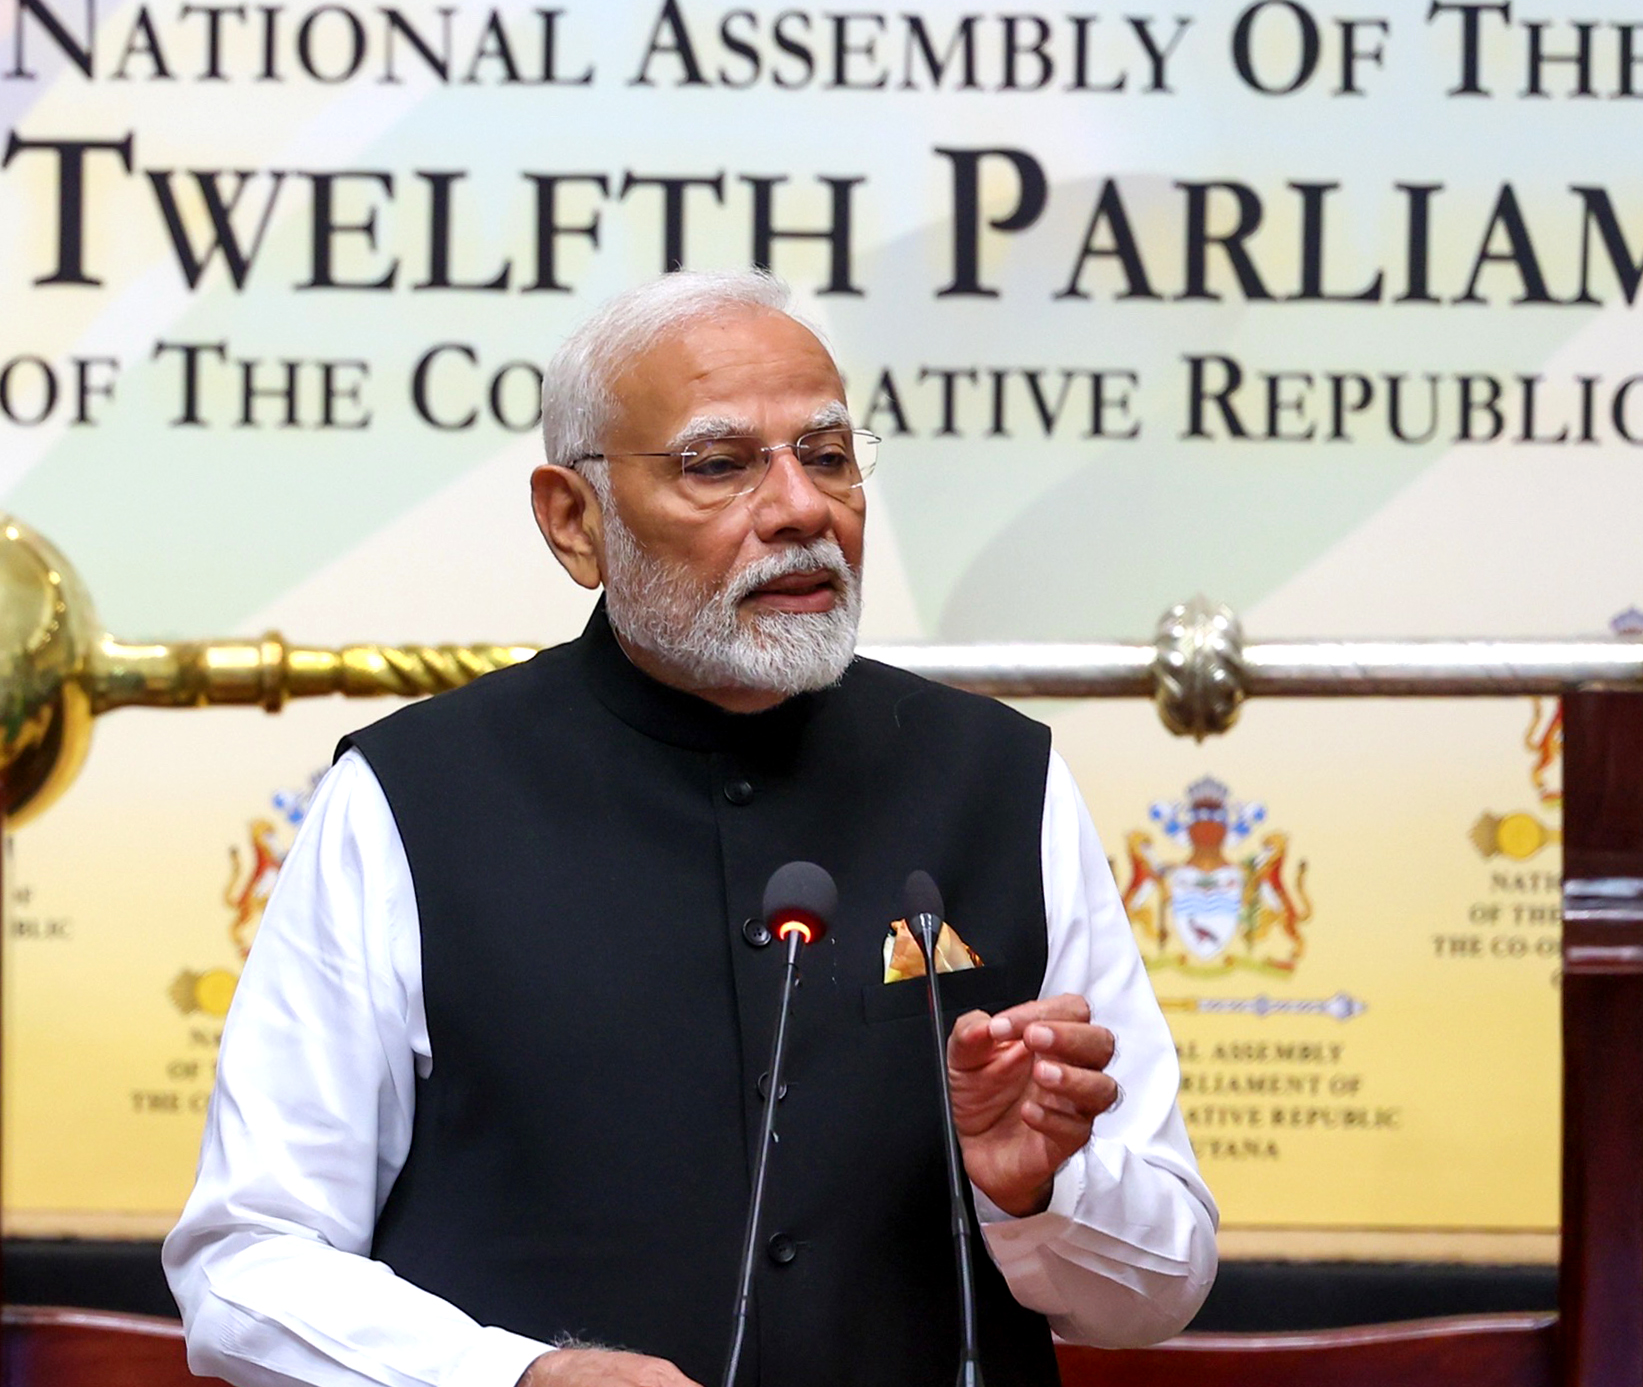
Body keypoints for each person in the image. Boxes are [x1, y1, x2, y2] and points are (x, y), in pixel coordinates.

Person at [164, 270, 1217, 1387]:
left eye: (826, 454)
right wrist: (521, 1379)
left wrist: (1036, 1190)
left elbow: (1161, 1288)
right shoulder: (406, 800)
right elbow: (247, 1265)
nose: (802, 508)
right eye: (719, 465)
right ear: (576, 521)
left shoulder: (1003, 781)